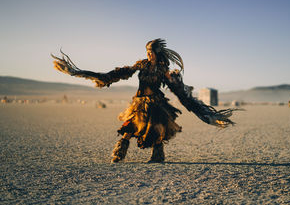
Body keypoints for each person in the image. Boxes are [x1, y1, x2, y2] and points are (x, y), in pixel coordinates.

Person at [51, 39, 235, 163]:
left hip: (156, 104)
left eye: (151, 52)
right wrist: (88, 74)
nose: (148, 55)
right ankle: (119, 152)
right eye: (146, 52)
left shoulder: (164, 71)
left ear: (157, 52)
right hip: (139, 103)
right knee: (129, 127)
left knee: (156, 130)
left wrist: (203, 113)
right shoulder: (142, 65)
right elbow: (118, 74)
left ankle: (157, 156)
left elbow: (180, 93)